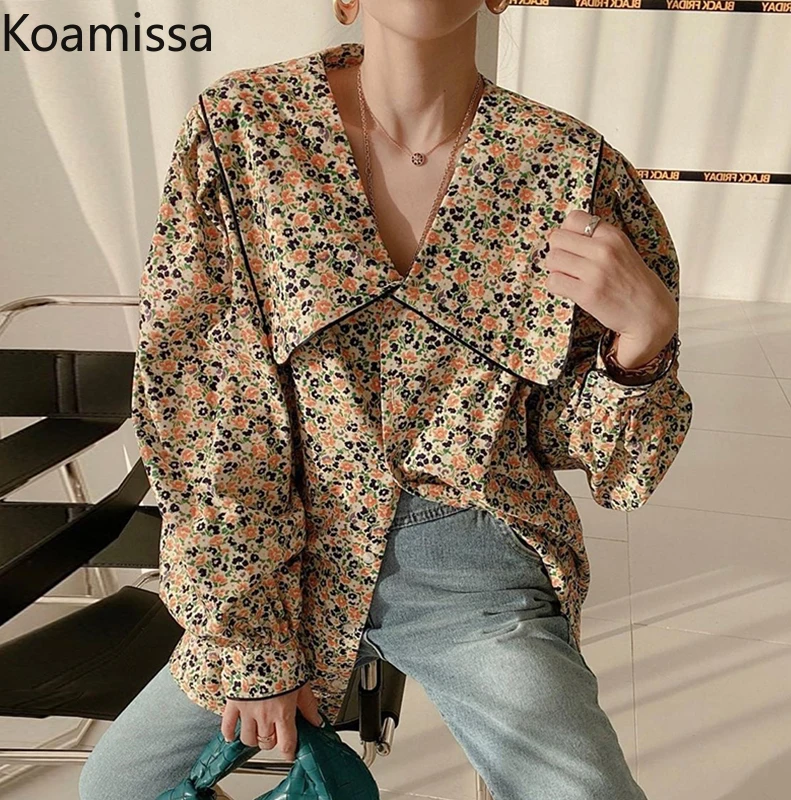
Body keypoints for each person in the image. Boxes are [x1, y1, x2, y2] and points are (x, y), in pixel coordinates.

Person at [80, 1, 692, 798]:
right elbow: (208, 406)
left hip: (469, 558)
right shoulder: (246, 129)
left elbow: (601, 463)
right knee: (118, 786)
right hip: (282, 554)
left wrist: (641, 342)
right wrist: (253, 645)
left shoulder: (568, 166)